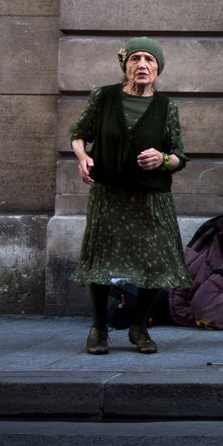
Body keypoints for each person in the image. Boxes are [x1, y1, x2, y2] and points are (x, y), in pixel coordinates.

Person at [69, 37, 192, 355]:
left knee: (153, 262)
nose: (142, 65)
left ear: (158, 68)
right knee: (101, 259)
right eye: (135, 58)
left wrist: (162, 159)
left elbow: (179, 155)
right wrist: (83, 157)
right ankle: (98, 329)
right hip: (109, 191)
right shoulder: (104, 97)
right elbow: (79, 134)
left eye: (149, 60)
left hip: (151, 195)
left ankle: (139, 326)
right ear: (125, 65)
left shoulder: (166, 108)